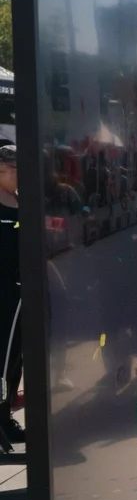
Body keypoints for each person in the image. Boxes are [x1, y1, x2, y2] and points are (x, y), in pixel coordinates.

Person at [0, 146, 21, 443]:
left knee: (16, 357)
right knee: (2, 357)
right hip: (3, 292)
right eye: (14, 170)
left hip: (21, 291)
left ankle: (5, 416)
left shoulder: (21, 201)